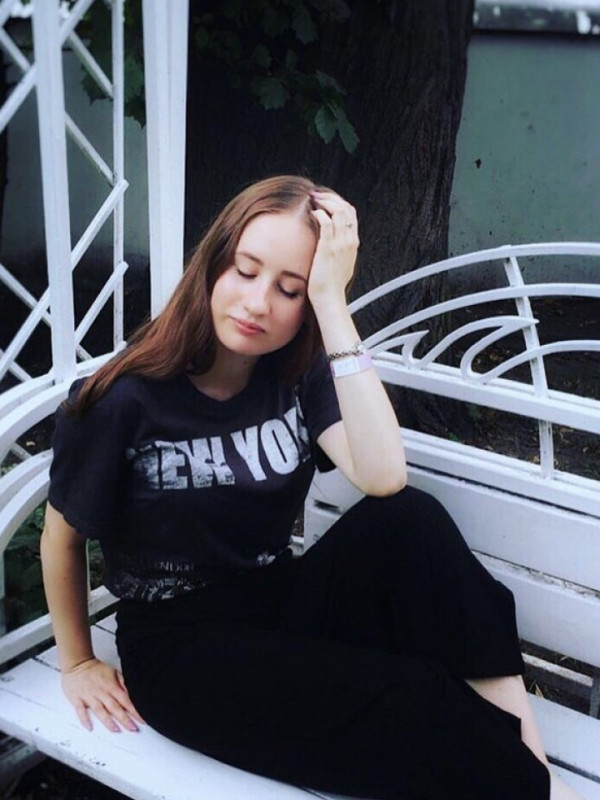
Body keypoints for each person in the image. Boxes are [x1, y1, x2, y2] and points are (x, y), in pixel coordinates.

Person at [41, 175, 581, 800]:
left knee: (410, 520)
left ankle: (532, 769)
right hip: (182, 651)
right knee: (407, 696)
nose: (257, 303)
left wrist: (333, 305)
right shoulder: (123, 399)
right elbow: (61, 537)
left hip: (279, 603)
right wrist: (77, 661)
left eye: (290, 289)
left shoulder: (296, 372)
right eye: (245, 271)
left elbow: (384, 477)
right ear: (212, 264)